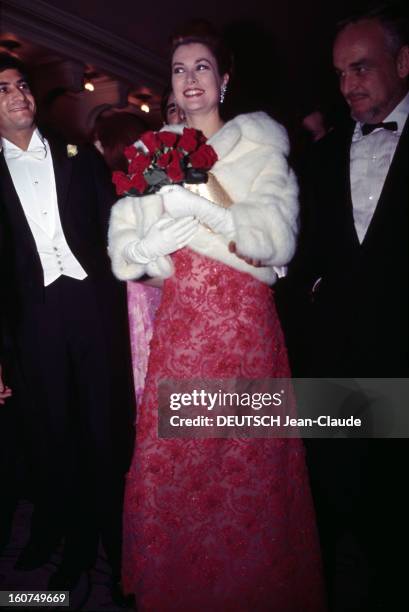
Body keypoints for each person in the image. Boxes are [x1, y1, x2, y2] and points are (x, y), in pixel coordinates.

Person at [108, 23, 325, 611]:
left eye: (202, 67)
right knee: (178, 473)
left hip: (243, 330)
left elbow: (275, 240)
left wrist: (204, 204)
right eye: (180, 69)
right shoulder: (153, 152)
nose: (190, 79)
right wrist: (145, 251)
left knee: (246, 477)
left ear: (224, 79)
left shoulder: (261, 147)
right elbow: (125, 248)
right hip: (181, 331)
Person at [286, 5, 409, 609]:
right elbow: (300, 259)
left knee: (396, 528)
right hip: (330, 367)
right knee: (326, 512)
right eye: (339, 73)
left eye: (361, 67)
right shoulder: (316, 158)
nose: (348, 84)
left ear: (404, 62)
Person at [0, 53, 135, 596]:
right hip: (35, 321)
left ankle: (124, 550)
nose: (19, 95)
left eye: (22, 85)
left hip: (93, 307)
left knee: (106, 432)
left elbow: (116, 225)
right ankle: (76, 549)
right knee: (57, 439)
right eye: (3, 88)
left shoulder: (77, 153)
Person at [93, 110, 161, 403]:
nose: (94, 146)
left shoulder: (124, 192)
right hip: (144, 285)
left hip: (140, 287)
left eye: (100, 141)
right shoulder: (144, 184)